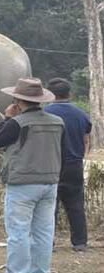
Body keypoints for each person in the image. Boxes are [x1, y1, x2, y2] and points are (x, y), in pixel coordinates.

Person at [0, 77, 64, 273]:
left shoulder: (17, 123)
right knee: (44, 231)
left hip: (22, 183)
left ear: (17, 100)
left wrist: (6, 118)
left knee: (19, 232)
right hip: (50, 181)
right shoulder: (58, 122)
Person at [45, 78, 92, 252]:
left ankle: (48, 242)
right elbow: (86, 140)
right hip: (74, 164)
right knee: (76, 204)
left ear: (49, 94)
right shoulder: (81, 114)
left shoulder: (45, 113)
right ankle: (80, 243)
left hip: (51, 164)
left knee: (49, 206)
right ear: (69, 93)